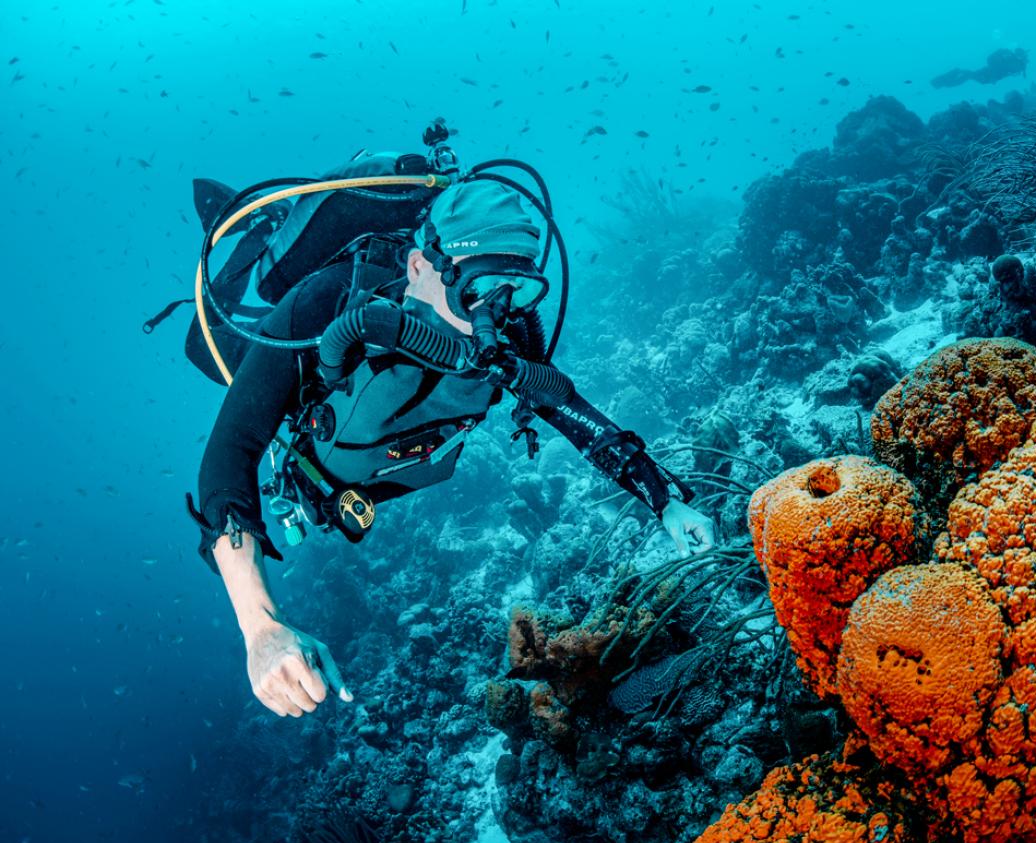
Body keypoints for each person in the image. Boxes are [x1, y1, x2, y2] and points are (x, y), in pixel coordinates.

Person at [189, 178, 716, 718]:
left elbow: (577, 416)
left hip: (368, 466)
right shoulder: (327, 302)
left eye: (514, 290)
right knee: (206, 352)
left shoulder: (509, 338)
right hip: (308, 406)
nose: (491, 317)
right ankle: (252, 233)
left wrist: (666, 500)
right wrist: (259, 626)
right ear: (419, 267)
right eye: (476, 290)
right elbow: (230, 454)